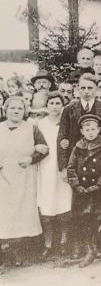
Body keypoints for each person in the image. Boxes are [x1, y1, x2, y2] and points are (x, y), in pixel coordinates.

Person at [0, 96, 49, 266]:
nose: (16, 111)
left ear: (25, 111)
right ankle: (5, 254)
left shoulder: (32, 129)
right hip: (3, 179)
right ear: (5, 110)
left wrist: (30, 158)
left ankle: (20, 253)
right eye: (12, 108)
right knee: (4, 215)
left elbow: (44, 150)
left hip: (25, 178)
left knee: (24, 214)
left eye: (20, 109)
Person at [66, 114, 101, 267]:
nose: (90, 132)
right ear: (82, 131)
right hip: (83, 191)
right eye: (86, 129)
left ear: (99, 130)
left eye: (93, 129)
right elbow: (71, 168)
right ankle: (91, 251)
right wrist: (76, 185)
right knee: (86, 220)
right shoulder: (78, 147)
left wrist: (100, 184)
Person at [37, 92, 73, 259]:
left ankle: (64, 242)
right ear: (47, 105)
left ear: (63, 105)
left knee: (64, 204)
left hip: (62, 169)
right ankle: (48, 244)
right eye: (51, 103)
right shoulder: (39, 124)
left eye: (58, 103)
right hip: (45, 169)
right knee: (46, 205)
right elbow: (34, 144)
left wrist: (68, 143)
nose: (55, 106)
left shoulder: (68, 124)